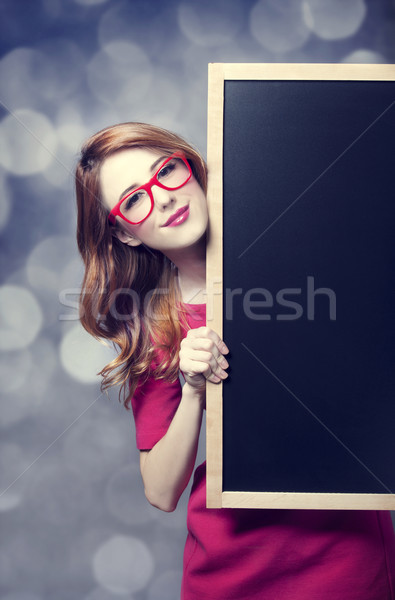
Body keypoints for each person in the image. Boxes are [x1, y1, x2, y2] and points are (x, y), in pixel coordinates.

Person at [75, 122, 395, 600]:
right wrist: (192, 389)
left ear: (191, 169)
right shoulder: (157, 325)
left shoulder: (313, 252)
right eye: (134, 199)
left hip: (346, 552)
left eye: (166, 171)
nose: (162, 197)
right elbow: (161, 492)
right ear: (125, 234)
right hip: (232, 567)